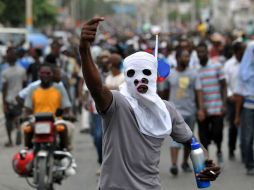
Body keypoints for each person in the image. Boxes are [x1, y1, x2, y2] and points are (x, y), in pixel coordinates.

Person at [79, 17, 220, 190]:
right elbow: (96, 88)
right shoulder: (116, 103)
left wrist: (205, 162)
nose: (140, 78)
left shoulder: (166, 110)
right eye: (132, 73)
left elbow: (194, 144)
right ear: (126, 76)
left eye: (146, 72)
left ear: (155, 75)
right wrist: (84, 49)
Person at [158, 48, 205, 176]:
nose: (187, 59)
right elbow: (164, 92)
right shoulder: (170, 74)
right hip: (175, 113)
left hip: (190, 111)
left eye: (188, 56)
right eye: (184, 56)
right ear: (178, 58)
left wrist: (200, 109)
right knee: (175, 139)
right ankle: (174, 165)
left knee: (188, 139)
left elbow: (198, 91)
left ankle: (184, 162)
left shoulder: (194, 74)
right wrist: (163, 108)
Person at [196, 42, 227, 164]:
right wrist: (200, 108)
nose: (200, 54)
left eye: (202, 52)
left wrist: (224, 104)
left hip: (217, 107)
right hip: (203, 109)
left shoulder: (217, 66)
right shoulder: (197, 70)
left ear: (207, 53)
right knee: (204, 136)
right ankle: (207, 158)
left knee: (217, 133)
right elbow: (197, 91)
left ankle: (219, 150)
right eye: (198, 53)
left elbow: (224, 86)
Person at [234, 41, 254, 175]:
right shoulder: (243, 73)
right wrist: (237, 115)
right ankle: (250, 164)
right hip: (248, 107)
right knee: (247, 138)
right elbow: (239, 95)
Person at [224, 41, 246, 160]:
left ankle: (245, 150)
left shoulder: (248, 63)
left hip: (246, 99)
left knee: (246, 127)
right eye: (243, 50)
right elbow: (225, 84)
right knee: (233, 126)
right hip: (232, 100)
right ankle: (231, 148)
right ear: (237, 52)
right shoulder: (228, 65)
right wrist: (230, 95)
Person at [2, 47, 26, 147]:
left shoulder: (5, 72)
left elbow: (4, 88)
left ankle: (10, 141)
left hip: (9, 99)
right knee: (18, 117)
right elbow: (25, 85)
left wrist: (4, 102)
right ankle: (18, 130)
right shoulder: (22, 70)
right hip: (19, 98)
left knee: (8, 120)